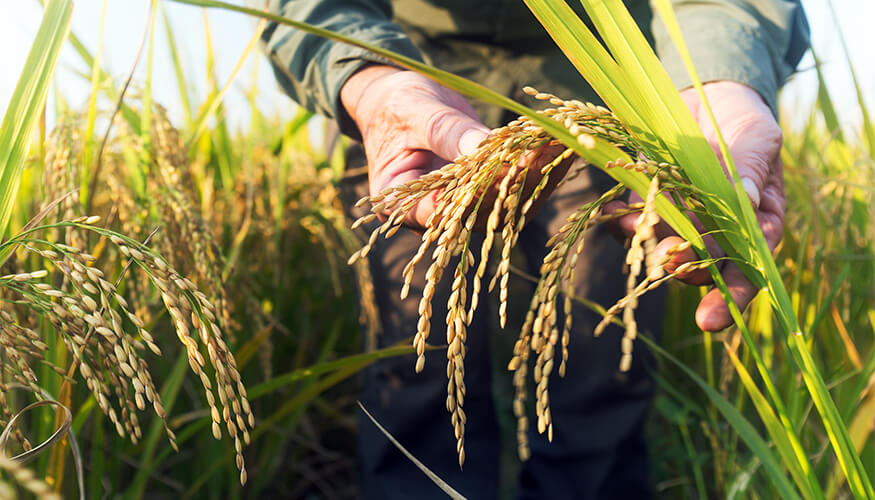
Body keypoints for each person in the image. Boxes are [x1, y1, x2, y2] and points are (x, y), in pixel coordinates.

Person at [254, 1, 809, 498]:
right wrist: (370, 82)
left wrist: (722, 85)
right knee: (414, 356)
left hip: (599, 70)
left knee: (598, 356)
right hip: (401, 61)